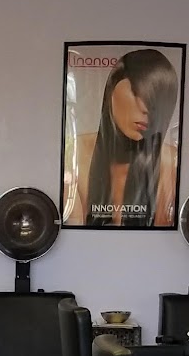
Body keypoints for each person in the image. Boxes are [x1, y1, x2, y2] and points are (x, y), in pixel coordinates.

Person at [64, 48, 180, 228]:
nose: (146, 109)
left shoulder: (171, 161)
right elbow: (72, 232)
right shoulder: (75, 153)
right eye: (138, 93)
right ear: (112, 89)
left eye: (156, 99)